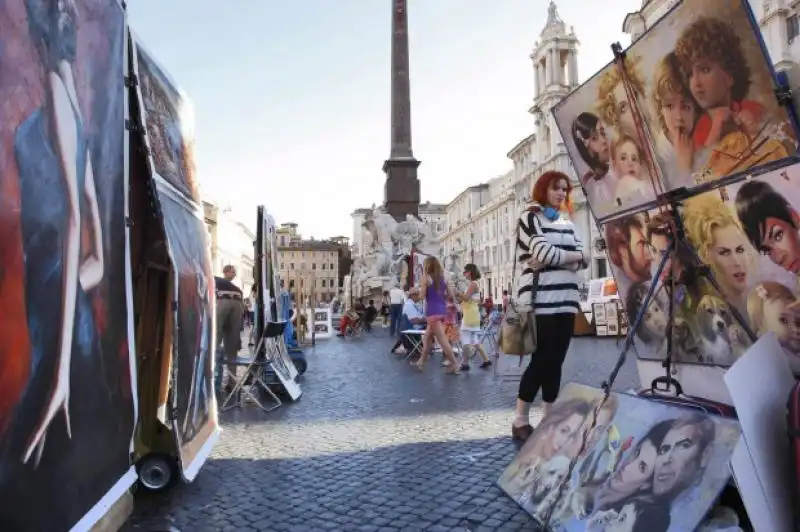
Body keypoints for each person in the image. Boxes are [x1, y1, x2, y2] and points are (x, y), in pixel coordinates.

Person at [15, 0, 105, 465]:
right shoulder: (69, 102)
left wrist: (60, 372)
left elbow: (76, 217)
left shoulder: (54, 92)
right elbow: (99, 258)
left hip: (59, 335)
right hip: (61, 320)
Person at [511, 171, 587, 442]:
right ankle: (520, 419)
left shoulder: (567, 222)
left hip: (567, 301)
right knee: (541, 360)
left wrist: (562, 257)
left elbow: (584, 256)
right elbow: (543, 253)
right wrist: (570, 257)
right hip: (541, 301)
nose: (562, 194)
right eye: (557, 189)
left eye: (565, 190)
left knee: (556, 361)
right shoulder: (530, 217)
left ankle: (548, 417)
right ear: (544, 189)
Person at [413, 257, 461, 374]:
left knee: (442, 341)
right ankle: (421, 362)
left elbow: (422, 296)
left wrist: (415, 294)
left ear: (427, 266)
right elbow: (450, 295)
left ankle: (455, 364)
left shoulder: (426, 278)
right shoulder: (442, 278)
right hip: (442, 311)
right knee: (427, 338)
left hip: (432, 313)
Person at [457, 263, 492, 371]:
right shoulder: (473, 284)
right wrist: (459, 296)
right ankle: (486, 360)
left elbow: (466, 298)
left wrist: (457, 292)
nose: (464, 274)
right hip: (472, 314)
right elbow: (465, 299)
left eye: (465, 272)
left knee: (465, 340)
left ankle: (465, 363)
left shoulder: (472, 284)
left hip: (470, 315)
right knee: (474, 340)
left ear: (470, 272)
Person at [215, 265, 245, 390]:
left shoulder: (215, 280)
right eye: (233, 272)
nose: (234, 275)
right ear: (225, 272)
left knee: (215, 341)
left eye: (235, 272)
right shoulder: (237, 288)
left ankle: (213, 381)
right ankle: (231, 383)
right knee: (232, 346)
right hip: (237, 303)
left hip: (222, 301)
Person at [390, 287, 426, 354]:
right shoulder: (409, 305)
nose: (421, 296)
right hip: (414, 328)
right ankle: (428, 348)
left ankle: (427, 348)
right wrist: (426, 320)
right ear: (413, 295)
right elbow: (415, 321)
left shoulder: (416, 304)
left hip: (416, 327)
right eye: (419, 294)